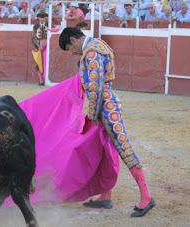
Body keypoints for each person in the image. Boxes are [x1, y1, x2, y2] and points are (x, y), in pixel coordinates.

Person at [58, 27, 155, 217]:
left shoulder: (92, 51)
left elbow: (96, 88)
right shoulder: (97, 45)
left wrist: (92, 116)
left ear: (73, 39)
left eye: (69, 48)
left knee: (123, 147)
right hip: (104, 105)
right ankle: (105, 196)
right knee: (102, 150)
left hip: (106, 108)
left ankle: (147, 197)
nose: (71, 52)